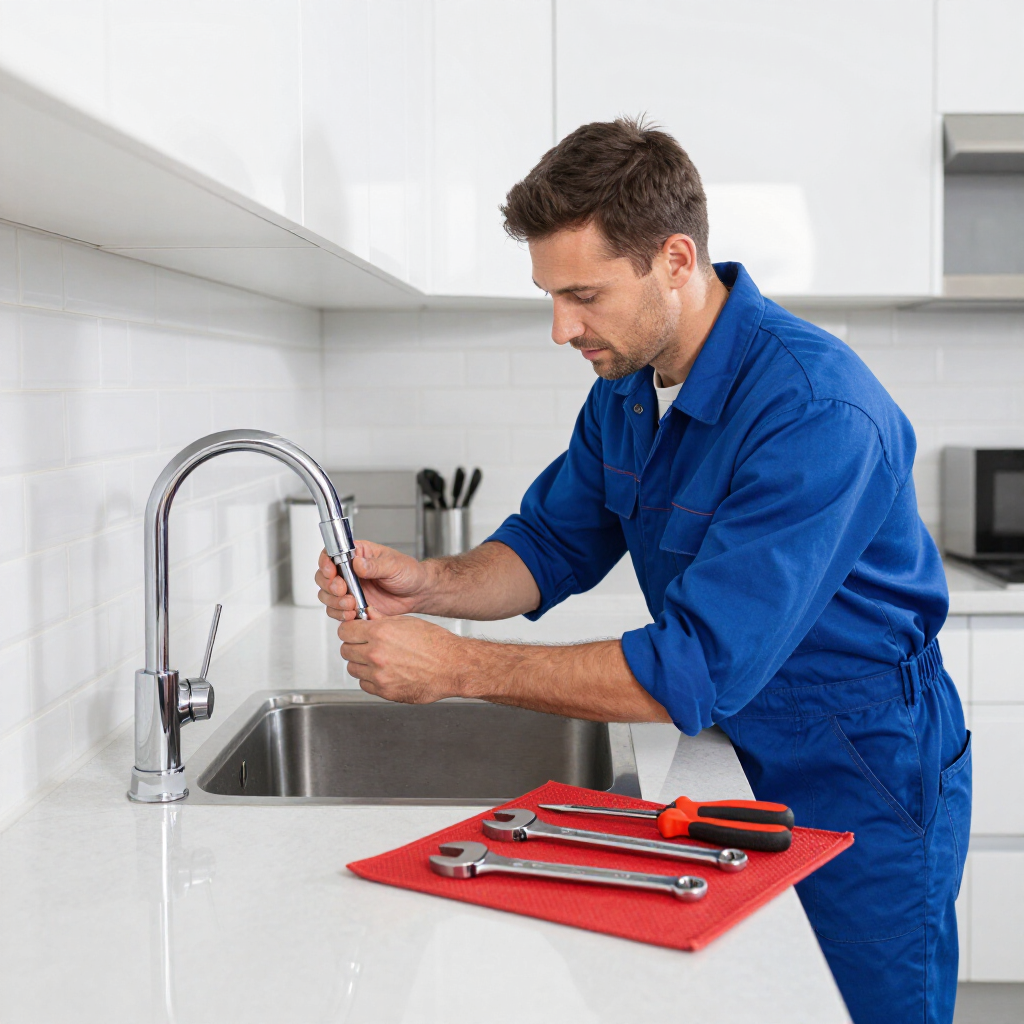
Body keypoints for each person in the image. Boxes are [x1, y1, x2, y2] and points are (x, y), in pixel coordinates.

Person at [315, 117, 971, 1024]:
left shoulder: (817, 410)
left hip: (857, 763)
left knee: (866, 1009)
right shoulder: (627, 382)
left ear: (674, 259)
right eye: (549, 295)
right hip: (725, 754)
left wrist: (457, 667)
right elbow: (548, 548)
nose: (560, 328)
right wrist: (432, 585)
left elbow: (694, 666)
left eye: (582, 294)